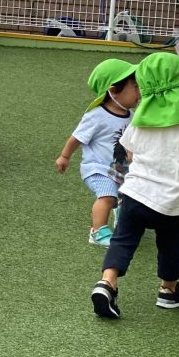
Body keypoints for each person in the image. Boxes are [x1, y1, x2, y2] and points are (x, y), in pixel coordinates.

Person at [91, 53, 179, 320]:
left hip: (134, 195)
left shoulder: (139, 123)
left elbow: (129, 153)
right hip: (168, 204)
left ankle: (108, 282)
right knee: (171, 245)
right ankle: (169, 290)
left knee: (123, 240)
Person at [56, 59, 140, 246]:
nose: (139, 92)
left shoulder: (132, 117)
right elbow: (76, 137)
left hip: (120, 169)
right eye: (135, 87)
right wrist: (65, 156)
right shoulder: (96, 116)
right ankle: (97, 232)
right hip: (97, 169)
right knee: (107, 196)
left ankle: (121, 219)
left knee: (128, 197)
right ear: (114, 90)